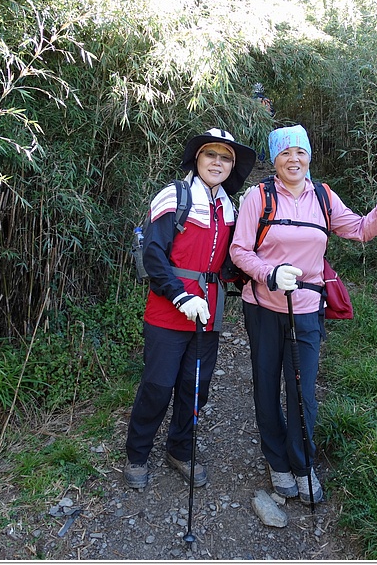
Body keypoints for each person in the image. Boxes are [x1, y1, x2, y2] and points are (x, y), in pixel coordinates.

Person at [229, 124, 377, 504]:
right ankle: (277, 462)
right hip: (263, 307)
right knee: (266, 387)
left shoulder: (322, 196)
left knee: (302, 392)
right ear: (275, 159)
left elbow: (362, 230)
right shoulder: (259, 197)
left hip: (306, 311)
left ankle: (302, 465)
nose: (293, 159)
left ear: (309, 156)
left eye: (300, 152)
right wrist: (269, 273)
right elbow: (239, 250)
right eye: (285, 153)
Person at [124, 128, 256, 489]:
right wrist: (180, 295)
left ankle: (180, 450)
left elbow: (231, 260)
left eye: (225, 157)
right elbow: (153, 254)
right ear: (197, 159)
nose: (218, 162)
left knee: (195, 386)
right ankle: (137, 453)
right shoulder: (175, 196)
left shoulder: (230, 207)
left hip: (208, 313)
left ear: (233, 167)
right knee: (158, 384)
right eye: (210, 154)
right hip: (168, 310)